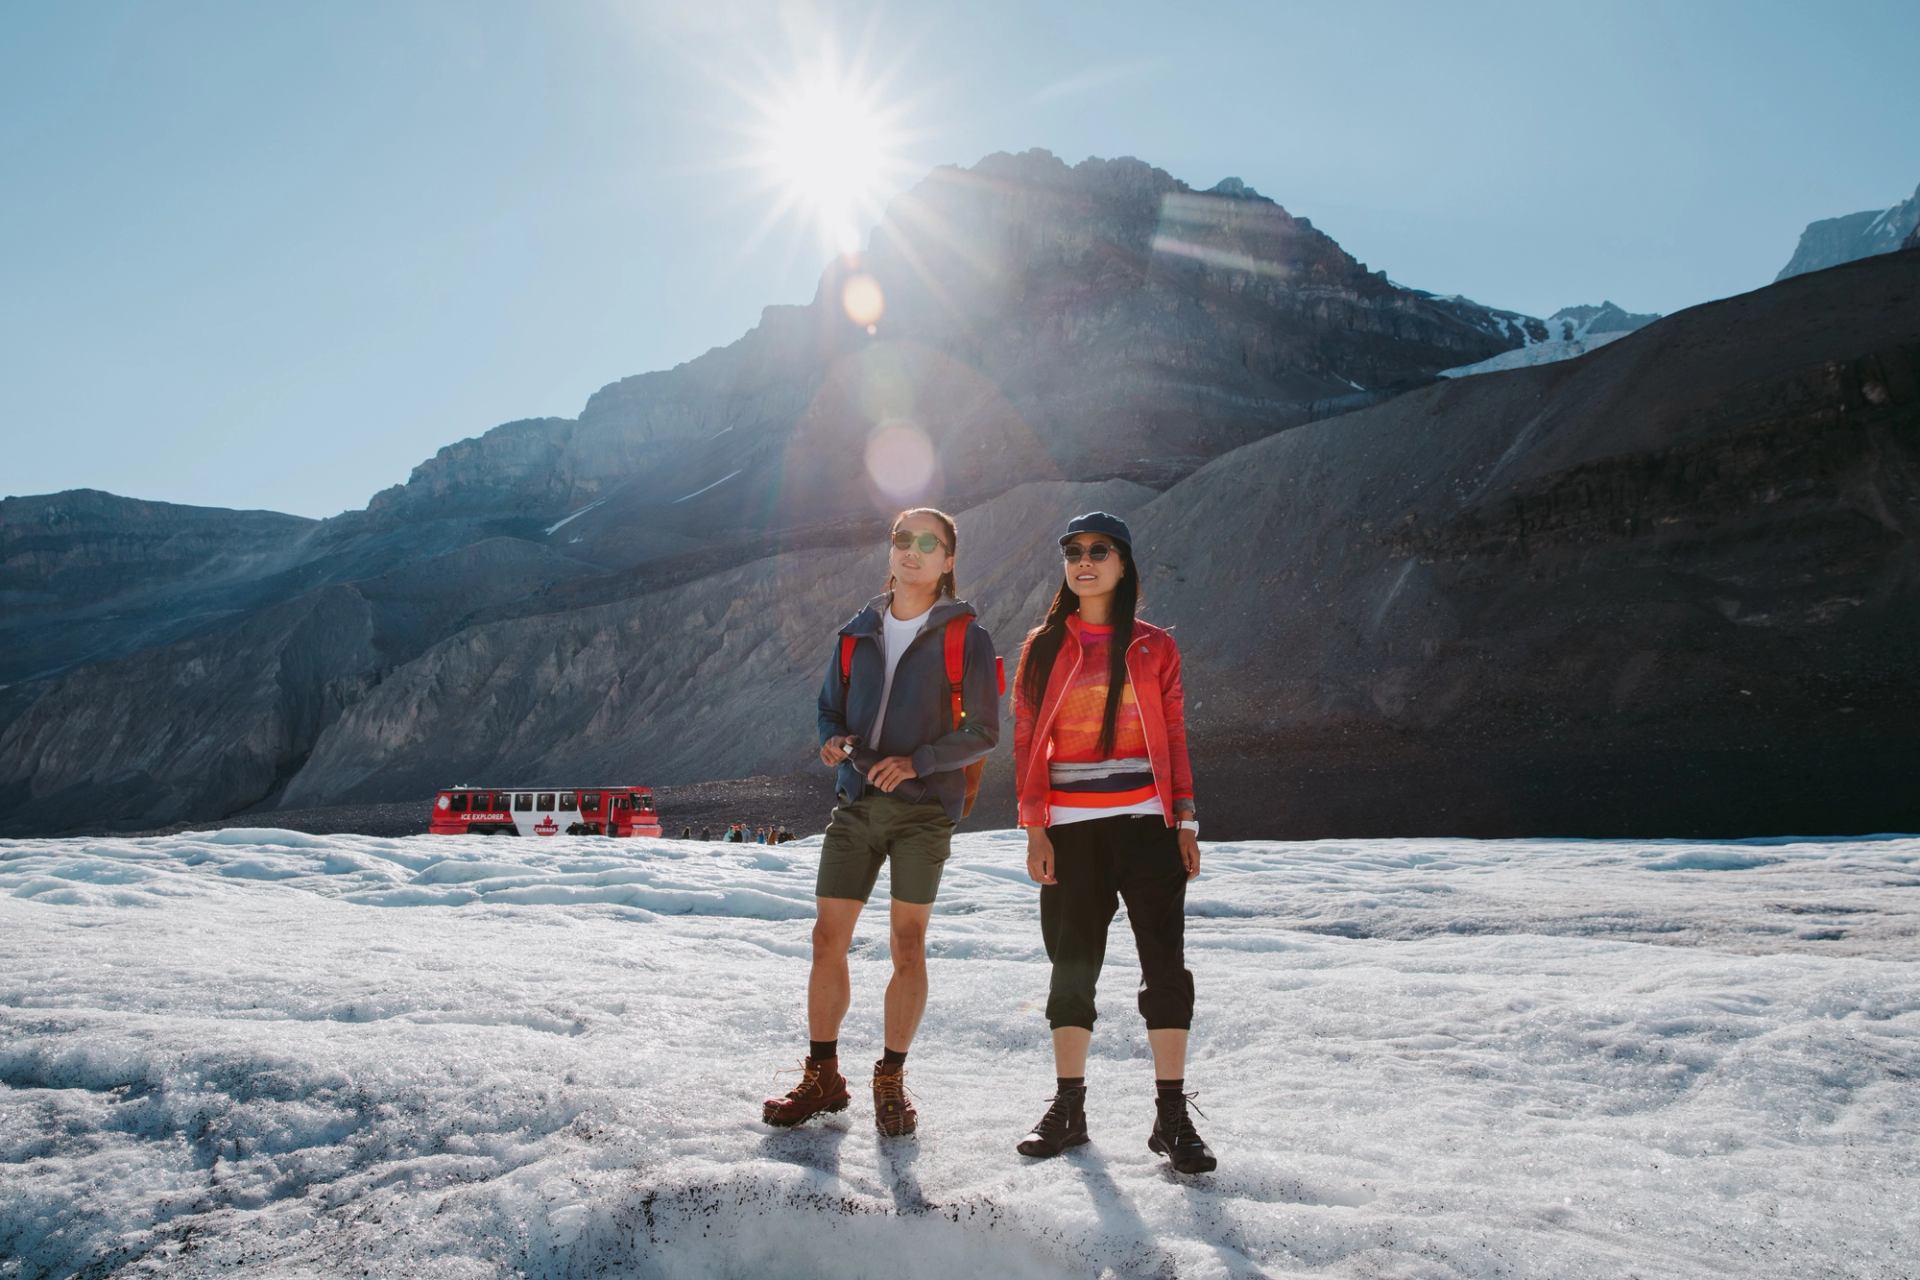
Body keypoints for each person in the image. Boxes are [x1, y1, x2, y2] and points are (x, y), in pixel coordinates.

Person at [762, 507, 1000, 1138]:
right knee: (825, 939)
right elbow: (826, 709)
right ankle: (823, 1076)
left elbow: (984, 732)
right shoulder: (854, 633)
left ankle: (890, 1078)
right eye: (902, 539)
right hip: (856, 805)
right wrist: (830, 741)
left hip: (923, 814)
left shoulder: (966, 637)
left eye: (929, 542)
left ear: (948, 559)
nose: (912, 550)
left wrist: (918, 761)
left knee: (907, 946)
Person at [1010, 511, 1213, 1175]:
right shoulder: (1043, 646)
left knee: (1165, 966)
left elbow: (1176, 737)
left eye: (1099, 550)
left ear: (1123, 564)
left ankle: (1172, 1114)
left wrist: (1184, 817)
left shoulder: (1156, 647)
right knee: (1071, 968)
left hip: (1147, 827)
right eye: (1073, 550)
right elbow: (1025, 741)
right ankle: (1069, 1108)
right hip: (1071, 832)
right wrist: (1035, 825)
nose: (1084, 560)